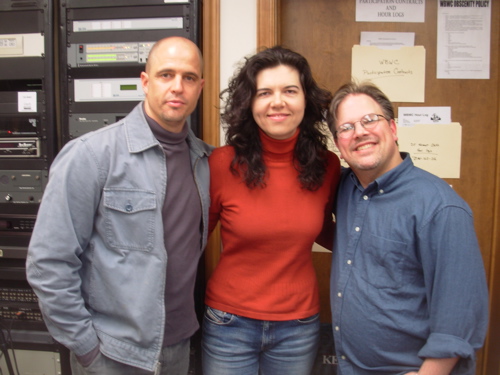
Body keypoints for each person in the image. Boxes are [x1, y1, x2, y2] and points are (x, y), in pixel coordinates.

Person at [26, 36, 211, 374]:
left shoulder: (204, 161)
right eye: (166, 75)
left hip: (178, 349)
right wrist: (87, 349)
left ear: (200, 87)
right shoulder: (91, 155)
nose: (177, 87)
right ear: (145, 82)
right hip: (111, 355)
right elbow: (48, 263)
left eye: (188, 78)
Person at [328, 81, 489, 375]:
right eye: (346, 127)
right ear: (339, 146)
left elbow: (460, 313)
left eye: (369, 120)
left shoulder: (440, 207)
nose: (360, 131)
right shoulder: (342, 188)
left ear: (393, 129)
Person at [202, 46, 341, 375]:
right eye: (265, 92)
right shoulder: (221, 164)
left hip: (298, 326)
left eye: (290, 91)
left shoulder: (328, 165)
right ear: (250, 103)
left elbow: (324, 227)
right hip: (228, 323)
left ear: (305, 99)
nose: (277, 102)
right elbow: (193, 240)